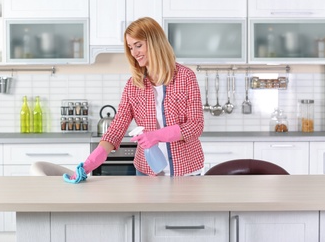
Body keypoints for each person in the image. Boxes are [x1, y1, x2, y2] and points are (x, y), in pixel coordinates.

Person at [31, 17, 205, 181]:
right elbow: (116, 129)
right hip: (147, 173)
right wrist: (87, 166)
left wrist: (156, 136)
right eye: (130, 47)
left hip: (186, 170)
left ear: (154, 42)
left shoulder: (185, 77)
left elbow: (196, 125)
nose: (134, 53)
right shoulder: (133, 85)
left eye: (138, 45)